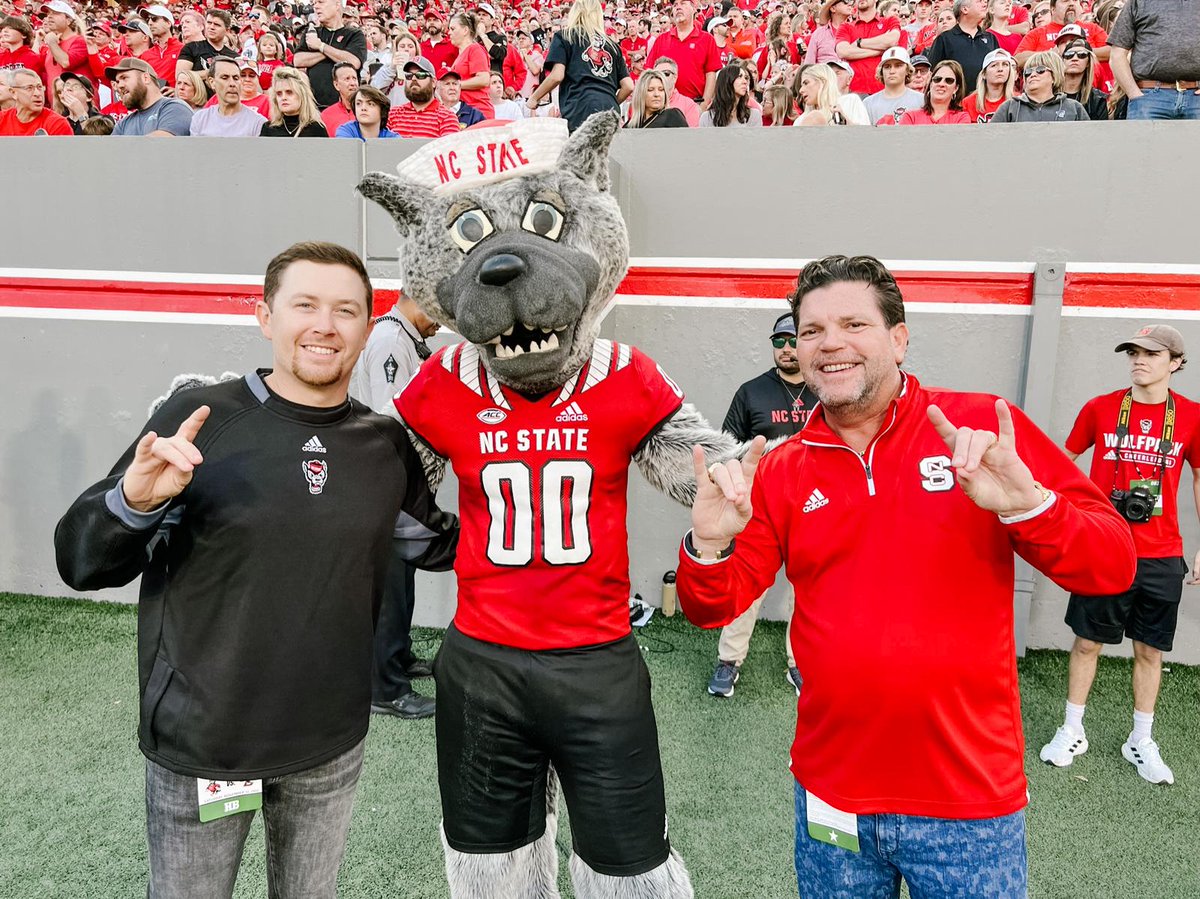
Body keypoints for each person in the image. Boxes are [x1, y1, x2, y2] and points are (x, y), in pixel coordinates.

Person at [677, 254, 1137, 899]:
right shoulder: (783, 468)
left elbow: (1112, 567)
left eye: (853, 324)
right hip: (832, 796)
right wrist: (708, 544)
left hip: (968, 801)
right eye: (811, 331)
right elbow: (710, 607)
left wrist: (1030, 507)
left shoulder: (979, 430)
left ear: (898, 338)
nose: (829, 343)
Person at [55, 241, 458, 899]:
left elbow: (437, 542)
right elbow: (81, 562)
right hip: (212, 747)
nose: (325, 325)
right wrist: (133, 504)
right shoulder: (201, 420)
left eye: (345, 310)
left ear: (366, 327)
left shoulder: (384, 445)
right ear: (266, 317)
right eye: (305, 305)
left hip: (329, 744)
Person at [1039, 325, 1200, 787]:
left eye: (1151, 353)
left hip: (1162, 553)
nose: (1138, 360)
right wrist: (1062, 520)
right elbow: (1060, 463)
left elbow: (1198, 478)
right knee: (1088, 642)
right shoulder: (1101, 408)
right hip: (1104, 545)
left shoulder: (1191, 417)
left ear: (1176, 363)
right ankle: (1073, 729)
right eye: (1133, 352)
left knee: (1149, 650)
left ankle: (1141, 739)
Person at [706, 313, 815, 699]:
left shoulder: (826, 390)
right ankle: (729, 660)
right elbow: (725, 448)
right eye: (778, 341)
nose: (786, 348)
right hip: (760, 508)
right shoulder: (751, 392)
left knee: (808, 591)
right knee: (748, 586)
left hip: (814, 507)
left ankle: (800, 662)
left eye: (793, 340)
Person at [348, 290, 442, 719]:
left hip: (401, 479)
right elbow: (393, 419)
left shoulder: (405, 339)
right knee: (389, 583)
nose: (442, 324)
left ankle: (398, 657)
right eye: (438, 313)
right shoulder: (391, 341)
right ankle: (385, 687)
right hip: (387, 477)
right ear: (419, 301)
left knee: (403, 575)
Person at [1107, 0, 1200, 122]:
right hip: (1148, 97)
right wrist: (1134, 94)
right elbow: (1117, 54)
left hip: (1196, 95)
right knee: (1143, 136)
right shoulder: (1137, 2)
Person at [645, 0, 721, 108]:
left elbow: (711, 75)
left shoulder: (707, 39)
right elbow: (649, 72)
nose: (678, 7)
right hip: (665, 105)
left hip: (695, 103)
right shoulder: (661, 40)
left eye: (683, 3)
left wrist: (704, 105)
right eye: (675, 5)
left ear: (694, 8)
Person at [292, 0, 367, 110]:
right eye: (315, 3)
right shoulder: (311, 32)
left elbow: (354, 62)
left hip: (346, 108)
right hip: (314, 108)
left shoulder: (355, 34)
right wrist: (333, 52)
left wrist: (320, 46)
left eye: (321, 2)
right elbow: (298, 60)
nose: (316, 6)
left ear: (337, 5)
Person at [990, 50, 1088, 120]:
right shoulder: (1009, 107)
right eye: (1028, 72)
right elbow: (991, 138)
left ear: (1054, 76)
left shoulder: (1074, 108)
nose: (1032, 75)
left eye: (1040, 70)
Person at [109, 57, 192, 136]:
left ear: (146, 78)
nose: (119, 86)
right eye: (118, 81)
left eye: (124, 78)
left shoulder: (176, 108)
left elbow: (161, 143)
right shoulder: (123, 124)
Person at [834, 0, 902, 95]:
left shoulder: (889, 21)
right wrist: (880, 50)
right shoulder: (845, 26)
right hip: (855, 92)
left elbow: (892, 40)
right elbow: (843, 51)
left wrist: (859, 43)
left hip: (884, 91)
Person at [1014, 0, 1109, 68]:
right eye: (1065, 1)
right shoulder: (1037, 33)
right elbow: (1018, 60)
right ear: (1052, 9)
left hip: (1091, 87)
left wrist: (1080, 51)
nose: (1071, 3)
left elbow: (1111, 51)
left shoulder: (1092, 28)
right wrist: (1050, 55)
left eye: (1075, 0)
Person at [926, 0, 998, 85]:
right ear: (965, 9)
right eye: (979, 1)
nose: (985, 4)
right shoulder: (944, 40)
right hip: (956, 93)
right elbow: (931, 74)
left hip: (985, 93)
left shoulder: (991, 38)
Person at [190, 56, 266, 136]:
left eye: (236, 78)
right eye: (225, 78)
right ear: (212, 82)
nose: (232, 84)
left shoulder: (258, 123)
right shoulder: (199, 119)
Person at [386, 56, 459, 137]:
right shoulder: (392, 114)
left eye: (421, 74)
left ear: (433, 82)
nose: (413, 78)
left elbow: (449, 145)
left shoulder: (447, 117)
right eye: (409, 75)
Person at [445, 11, 492, 118]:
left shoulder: (475, 49)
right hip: (464, 111)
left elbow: (484, 79)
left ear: (465, 30)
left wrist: (456, 85)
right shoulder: (460, 55)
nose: (449, 33)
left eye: (453, 29)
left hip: (478, 112)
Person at [259, 65, 328, 137]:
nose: (283, 98)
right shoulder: (268, 128)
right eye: (279, 94)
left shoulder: (317, 129)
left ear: (302, 95)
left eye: (289, 92)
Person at [0, 66, 72, 134]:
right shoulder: (2, 119)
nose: (37, 94)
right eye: (29, 88)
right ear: (13, 93)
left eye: (39, 87)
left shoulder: (58, 124)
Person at [898, 58, 972, 122]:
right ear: (930, 84)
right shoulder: (910, 117)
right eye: (937, 79)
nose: (941, 84)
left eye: (949, 80)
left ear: (956, 88)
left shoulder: (962, 118)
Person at [864, 45, 923, 122]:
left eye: (898, 66)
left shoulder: (921, 100)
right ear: (881, 71)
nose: (892, 71)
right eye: (887, 67)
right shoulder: (868, 103)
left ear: (907, 70)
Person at [176, 9, 237, 79]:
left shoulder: (234, 57)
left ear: (227, 30)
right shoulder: (190, 48)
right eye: (209, 23)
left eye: (217, 25)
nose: (211, 27)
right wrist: (213, 72)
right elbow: (181, 77)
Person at [1057, 38, 1108, 120]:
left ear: (1088, 62)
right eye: (1069, 55)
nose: (1074, 58)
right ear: (1063, 60)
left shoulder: (1097, 99)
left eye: (1082, 55)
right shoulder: (1050, 94)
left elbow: (1100, 127)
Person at [141, 4, 183, 85]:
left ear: (168, 23)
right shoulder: (145, 55)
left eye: (154, 18)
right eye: (148, 19)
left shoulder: (183, 49)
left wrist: (175, 90)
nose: (150, 23)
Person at [653, 56, 700, 125]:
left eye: (666, 73)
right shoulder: (646, 103)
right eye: (657, 74)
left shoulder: (688, 105)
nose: (661, 77)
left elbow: (692, 131)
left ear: (675, 77)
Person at [805, 0, 851, 65]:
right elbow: (809, 64)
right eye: (845, 1)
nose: (849, 4)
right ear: (833, 8)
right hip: (824, 71)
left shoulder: (855, 31)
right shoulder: (818, 34)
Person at [319, 60, 358, 135]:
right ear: (336, 85)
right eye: (347, 79)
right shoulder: (326, 115)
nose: (353, 83)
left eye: (354, 78)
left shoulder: (366, 111)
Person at [1, 15, 44, 81]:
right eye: (3, 28)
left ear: (24, 35)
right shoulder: (1, 57)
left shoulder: (32, 57)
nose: (5, 30)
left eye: (10, 28)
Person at [419, 10, 458, 77]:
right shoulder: (420, 47)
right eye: (429, 20)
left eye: (435, 20)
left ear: (442, 24)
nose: (432, 23)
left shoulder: (452, 45)